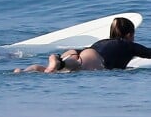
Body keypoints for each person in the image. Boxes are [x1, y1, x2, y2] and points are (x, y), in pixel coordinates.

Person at [14, 17, 151, 73]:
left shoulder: (103, 42)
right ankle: (59, 62)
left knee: (48, 71)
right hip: (93, 58)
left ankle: (24, 71)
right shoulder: (128, 45)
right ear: (129, 35)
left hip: (78, 52)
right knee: (78, 65)